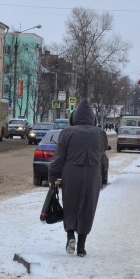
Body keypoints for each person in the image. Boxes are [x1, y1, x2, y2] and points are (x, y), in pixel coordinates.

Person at [47, 100, 109, 258]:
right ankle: (81, 247)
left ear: (74, 118)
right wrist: (103, 177)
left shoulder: (67, 133)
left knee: (70, 205)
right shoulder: (100, 133)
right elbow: (103, 158)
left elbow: (59, 158)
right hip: (93, 174)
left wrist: (53, 176)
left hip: (71, 173)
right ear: (93, 118)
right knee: (88, 207)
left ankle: (70, 237)